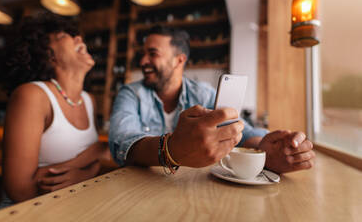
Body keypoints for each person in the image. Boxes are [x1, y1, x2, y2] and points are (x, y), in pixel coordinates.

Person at [109, 26, 315, 173]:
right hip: (139, 191)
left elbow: (241, 132)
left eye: (152, 54)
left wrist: (265, 147)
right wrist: (171, 149)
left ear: (179, 60)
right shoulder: (130, 93)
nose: (143, 61)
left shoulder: (203, 94)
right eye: (143, 54)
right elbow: (121, 144)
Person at [0, 13, 112, 208]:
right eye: (63, 36)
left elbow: (105, 152)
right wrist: (90, 163)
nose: (79, 38)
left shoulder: (89, 100)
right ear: (49, 56)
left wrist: (86, 171)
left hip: (65, 207)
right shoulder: (32, 95)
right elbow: (20, 189)